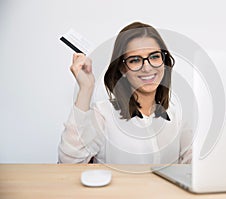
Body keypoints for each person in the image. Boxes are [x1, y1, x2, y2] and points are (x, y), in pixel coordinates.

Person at [58, 22, 193, 164]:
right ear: (123, 69)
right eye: (135, 60)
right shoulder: (103, 114)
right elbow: (67, 163)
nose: (147, 68)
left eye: (154, 57)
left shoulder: (176, 114)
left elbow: (194, 165)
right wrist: (86, 88)